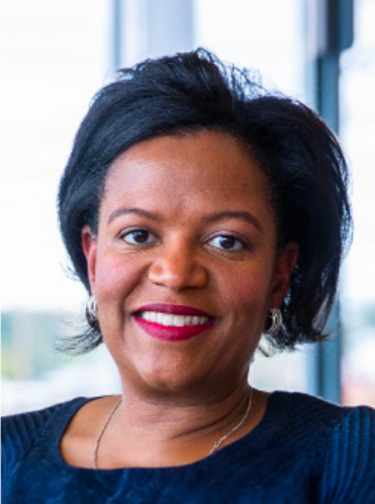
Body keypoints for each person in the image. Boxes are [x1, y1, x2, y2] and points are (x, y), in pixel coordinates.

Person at [2, 49, 374, 503]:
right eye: (138, 234)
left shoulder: (347, 458)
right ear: (94, 258)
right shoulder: (8, 456)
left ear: (281, 274)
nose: (175, 274)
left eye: (226, 241)